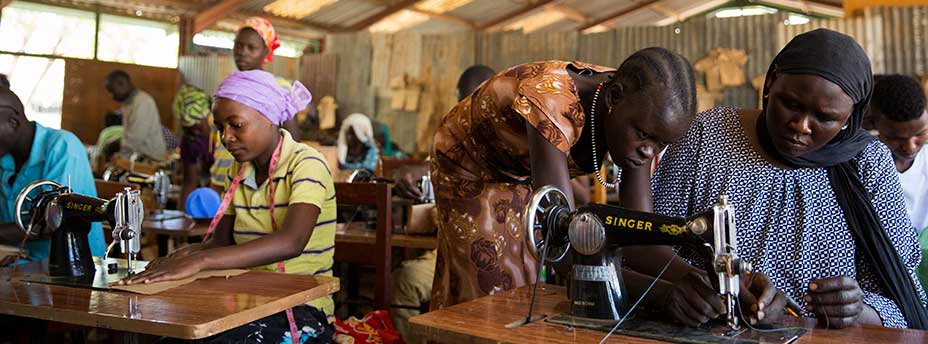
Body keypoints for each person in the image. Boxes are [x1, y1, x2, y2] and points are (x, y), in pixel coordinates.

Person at [640, 29, 928, 329]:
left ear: (850, 117)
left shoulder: (868, 164)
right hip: (709, 330)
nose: (801, 126)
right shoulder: (708, 134)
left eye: (825, 117)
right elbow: (650, 247)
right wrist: (685, 290)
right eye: (790, 104)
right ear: (771, 82)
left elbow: (903, 299)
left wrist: (857, 310)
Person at [429, 49, 699, 310]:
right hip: (468, 164)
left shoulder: (640, 114)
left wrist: (700, 280)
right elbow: (564, 249)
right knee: (490, 288)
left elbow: (640, 243)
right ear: (614, 98)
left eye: (661, 143)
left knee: (526, 286)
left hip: (522, 174)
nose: (649, 151)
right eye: (643, 135)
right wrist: (662, 295)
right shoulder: (552, 101)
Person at [121, 70, 335, 343]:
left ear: (269, 118)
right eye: (220, 128)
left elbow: (292, 241)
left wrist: (200, 260)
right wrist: (179, 258)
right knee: (164, 333)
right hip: (245, 299)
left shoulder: (306, 164)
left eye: (236, 125)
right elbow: (220, 241)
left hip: (302, 309)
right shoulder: (239, 169)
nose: (226, 137)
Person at [0, 88, 106, 265]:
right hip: (25, 263)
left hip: (75, 264)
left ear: (13, 122)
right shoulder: (5, 158)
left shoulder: (63, 147)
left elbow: (56, 221)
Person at [208, 16, 303, 191]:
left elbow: (292, 140)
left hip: (255, 184)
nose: (242, 52)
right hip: (221, 176)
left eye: (251, 47)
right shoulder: (228, 87)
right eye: (238, 45)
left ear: (266, 52)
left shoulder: (278, 88)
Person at [871, 74, 928, 291]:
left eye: (921, 133)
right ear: (875, 123)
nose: (911, 146)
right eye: (895, 137)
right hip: (889, 273)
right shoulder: (867, 165)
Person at [105, 70, 167, 162]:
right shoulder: (128, 103)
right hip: (137, 156)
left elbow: (136, 137)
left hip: (150, 159)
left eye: (112, 90)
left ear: (122, 83)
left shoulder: (143, 102)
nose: (111, 96)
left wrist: (116, 145)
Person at [173, 81, 213, 210]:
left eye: (199, 127)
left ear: (209, 117)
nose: (196, 132)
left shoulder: (222, 138)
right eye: (190, 129)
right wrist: (182, 218)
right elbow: (189, 182)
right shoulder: (190, 140)